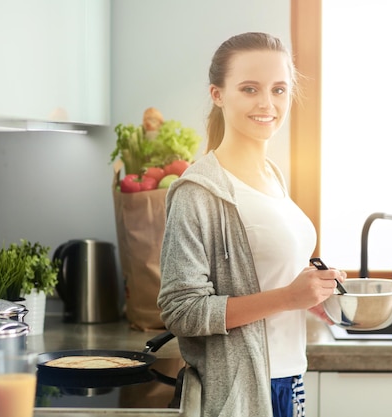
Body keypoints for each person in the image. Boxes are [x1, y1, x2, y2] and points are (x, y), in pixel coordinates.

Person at [157, 32, 346, 417]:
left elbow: (260, 278)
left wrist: (310, 297)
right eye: (249, 89)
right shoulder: (197, 192)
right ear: (217, 94)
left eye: (279, 90)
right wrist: (288, 298)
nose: (267, 103)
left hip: (288, 379)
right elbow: (181, 311)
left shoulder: (272, 175)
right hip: (241, 392)